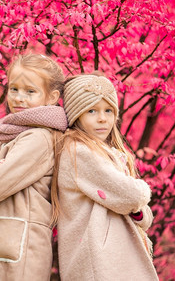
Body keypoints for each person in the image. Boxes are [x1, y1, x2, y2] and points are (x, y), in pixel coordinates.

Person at [0, 54, 68, 281]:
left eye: (30, 91)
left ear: (52, 97)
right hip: (3, 247)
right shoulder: (13, 135)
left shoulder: (38, 138)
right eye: (14, 89)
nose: (19, 98)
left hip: (20, 252)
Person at [51, 73, 159, 280]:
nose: (102, 118)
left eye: (108, 110)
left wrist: (135, 209)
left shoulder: (106, 152)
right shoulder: (78, 152)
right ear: (76, 115)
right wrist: (142, 191)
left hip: (113, 257)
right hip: (98, 263)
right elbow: (133, 196)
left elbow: (143, 217)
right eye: (91, 110)